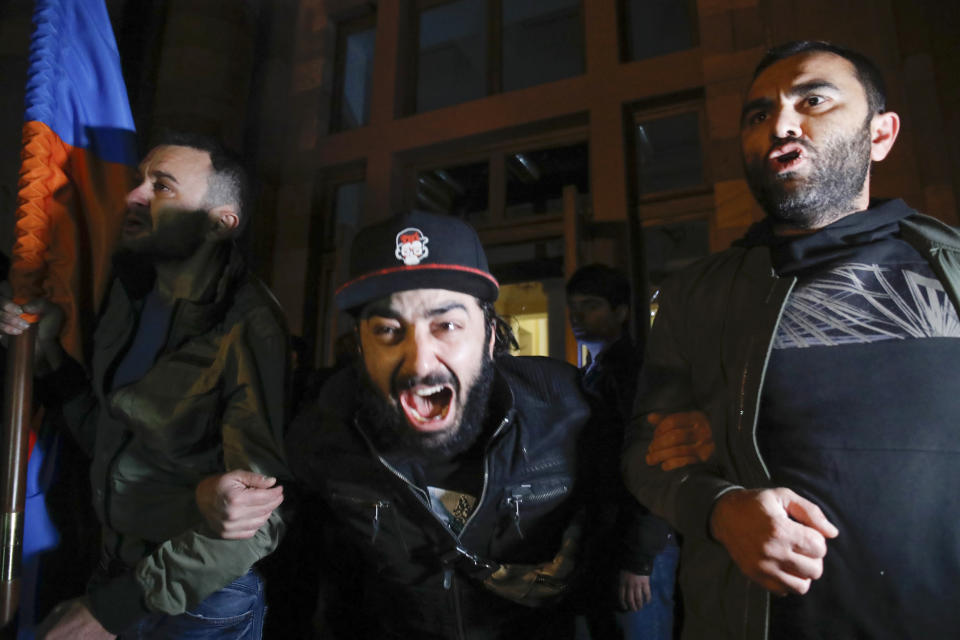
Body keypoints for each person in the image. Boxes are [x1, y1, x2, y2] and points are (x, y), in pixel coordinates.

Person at [623, 40, 960, 640]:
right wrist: (721, 509)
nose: (781, 123)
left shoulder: (950, 271)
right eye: (759, 114)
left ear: (880, 135)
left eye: (812, 100)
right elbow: (646, 458)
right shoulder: (698, 297)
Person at [224, 210, 594, 638]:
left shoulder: (568, 410)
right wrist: (221, 506)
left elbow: (618, 524)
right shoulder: (322, 431)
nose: (419, 362)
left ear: (491, 337)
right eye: (387, 330)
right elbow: (297, 558)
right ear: (360, 347)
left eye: (448, 325)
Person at [0, 132, 290, 639]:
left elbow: (258, 522)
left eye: (162, 186)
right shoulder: (129, 297)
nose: (133, 196)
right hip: (117, 573)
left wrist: (116, 608)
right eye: (139, 181)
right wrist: (48, 355)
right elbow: (109, 442)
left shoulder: (250, 324)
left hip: (197, 601)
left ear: (220, 223)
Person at [565, 264, 677, 640]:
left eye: (591, 305)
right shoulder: (594, 372)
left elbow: (657, 461)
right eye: (574, 307)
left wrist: (639, 558)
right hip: (606, 539)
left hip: (635, 544)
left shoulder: (633, 373)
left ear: (621, 312)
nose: (578, 316)